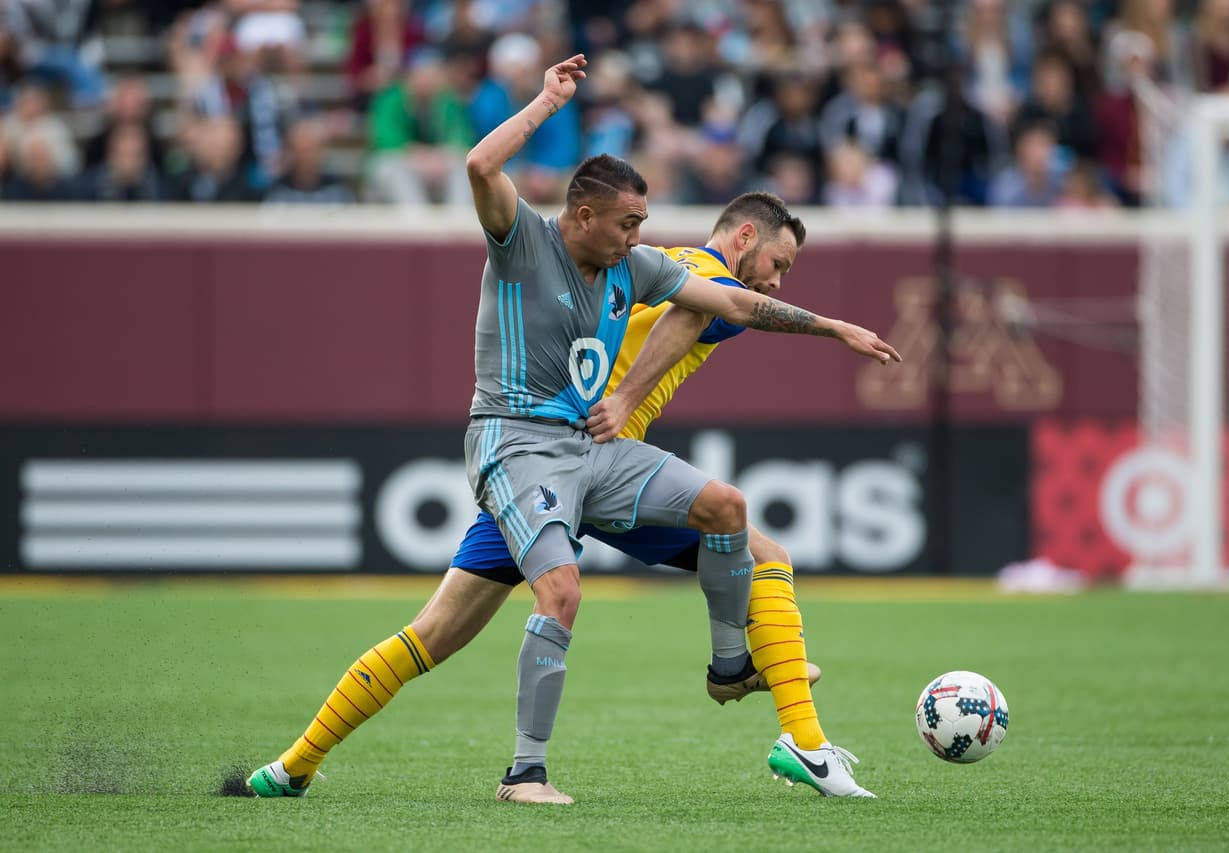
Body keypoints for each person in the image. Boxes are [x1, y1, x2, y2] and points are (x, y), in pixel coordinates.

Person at [246, 54, 900, 805]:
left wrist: (836, 328)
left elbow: (731, 305)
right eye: (629, 222)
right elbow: (484, 168)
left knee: (726, 511)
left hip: (590, 456)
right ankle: (523, 772)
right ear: (586, 216)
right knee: (511, 610)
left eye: (642, 223)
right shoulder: (527, 243)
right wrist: (546, 103)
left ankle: (290, 767)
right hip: (522, 448)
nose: (638, 236)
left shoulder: (636, 264)